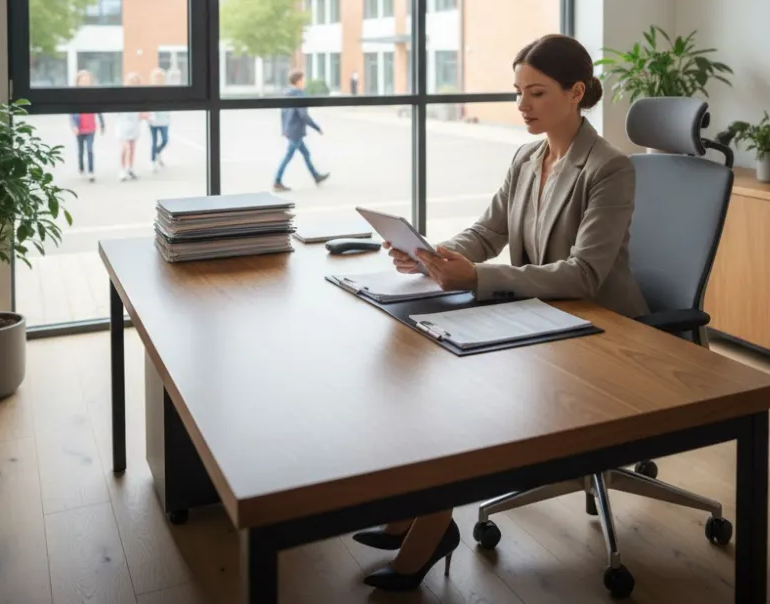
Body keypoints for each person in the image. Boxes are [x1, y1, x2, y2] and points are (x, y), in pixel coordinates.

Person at [354, 33, 650, 592]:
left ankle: (429, 525)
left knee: (457, 391)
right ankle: (418, 518)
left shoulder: (609, 168)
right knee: (425, 370)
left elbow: (585, 274)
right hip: (539, 317)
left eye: (536, 93)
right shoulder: (527, 156)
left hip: (601, 332)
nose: (522, 106)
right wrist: (435, 255)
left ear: (576, 92)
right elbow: (490, 231)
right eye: (517, 92)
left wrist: (479, 277)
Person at [272, 69, 330, 191]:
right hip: (296, 131)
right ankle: (277, 181)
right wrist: (317, 128)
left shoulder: (287, 93)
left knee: (306, 153)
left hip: (290, 130)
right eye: (303, 80)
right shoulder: (299, 94)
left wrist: (284, 129)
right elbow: (303, 115)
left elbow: (283, 113)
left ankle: (316, 176)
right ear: (298, 81)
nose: (305, 82)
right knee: (288, 156)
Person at [69, 69, 104, 182]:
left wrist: (102, 124)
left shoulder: (93, 95)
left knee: (89, 149)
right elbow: (71, 112)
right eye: (83, 80)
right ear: (78, 82)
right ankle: (81, 167)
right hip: (79, 128)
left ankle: (91, 171)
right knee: (80, 151)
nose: (85, 82)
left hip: (91, 128)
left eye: (87, 80)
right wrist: (74, 126)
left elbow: (99, 110)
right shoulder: (75, 96)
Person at [116, 72, 146, 182]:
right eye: (132, 82)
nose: (133, 84)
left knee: (132, 148)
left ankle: (130, 168)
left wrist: (143, 115)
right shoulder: (122, 95)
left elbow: (142, 111)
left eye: (136, 82)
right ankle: (122, 169)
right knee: (125, 147)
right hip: (123, 125)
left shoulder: (140, 96)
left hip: (134, 125)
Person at [147, 67, 171, 172]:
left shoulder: (166, 90)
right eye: (156, 77)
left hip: (164, 120)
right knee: (154, 141)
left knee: (165, 139)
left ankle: (157, 152)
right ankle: (153, 162)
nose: (158, 79)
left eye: (160, 77)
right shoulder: (150, 91)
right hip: (153, 120)